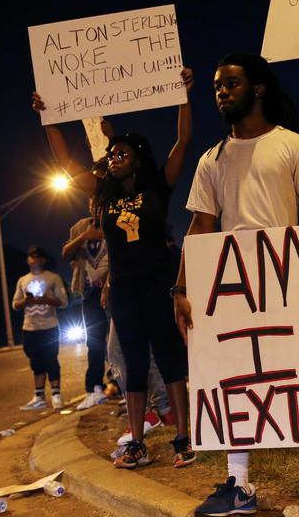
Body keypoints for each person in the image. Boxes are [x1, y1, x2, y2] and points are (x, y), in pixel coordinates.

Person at [172, 53, 299, 517]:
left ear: (258, 89)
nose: (221, 92)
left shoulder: (294, 146)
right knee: (234, 379)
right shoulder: (210, 160)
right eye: (217, 86)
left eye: (231, 84)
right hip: (233, 286)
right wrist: (179, 288)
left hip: (288, 278)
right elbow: (200, 226)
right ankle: (237, 485)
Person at [32, 67, 195, 469]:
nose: (116, 158)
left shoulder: (158, 184)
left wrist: (183, 95)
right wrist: (48, 115)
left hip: (159, 279)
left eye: (123, 153)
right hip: (122, 285)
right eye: (112, 153)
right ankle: (137, 442)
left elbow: (183, 140)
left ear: (138, 159)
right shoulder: (102, 193)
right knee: (133, 359)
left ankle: (184, 438)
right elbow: (67, 163)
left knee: (169, 355)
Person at [63, 208, 110, 410]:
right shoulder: (80, 226)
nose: (95, 205)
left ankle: (122, 386)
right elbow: (66, 253)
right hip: (90, 293)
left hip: (114, 288)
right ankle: (95, 390)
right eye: (92, 200)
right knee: (94, 343)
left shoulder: (116, 218)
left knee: (119, 342)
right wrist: (85, 236)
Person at [11, 246, 68, 410]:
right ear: (27, 260)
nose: (33, 259)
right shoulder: (23, 280)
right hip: (29, 327)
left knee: (51, 360)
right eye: (30, 257)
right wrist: (26, 301)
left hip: (49, 326)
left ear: (43, 259)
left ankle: (56, 395)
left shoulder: (53, 278)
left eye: (37, 256)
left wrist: (46, 299)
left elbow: (63, 302)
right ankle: (39, 396)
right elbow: (15, 304)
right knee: (35, 362)